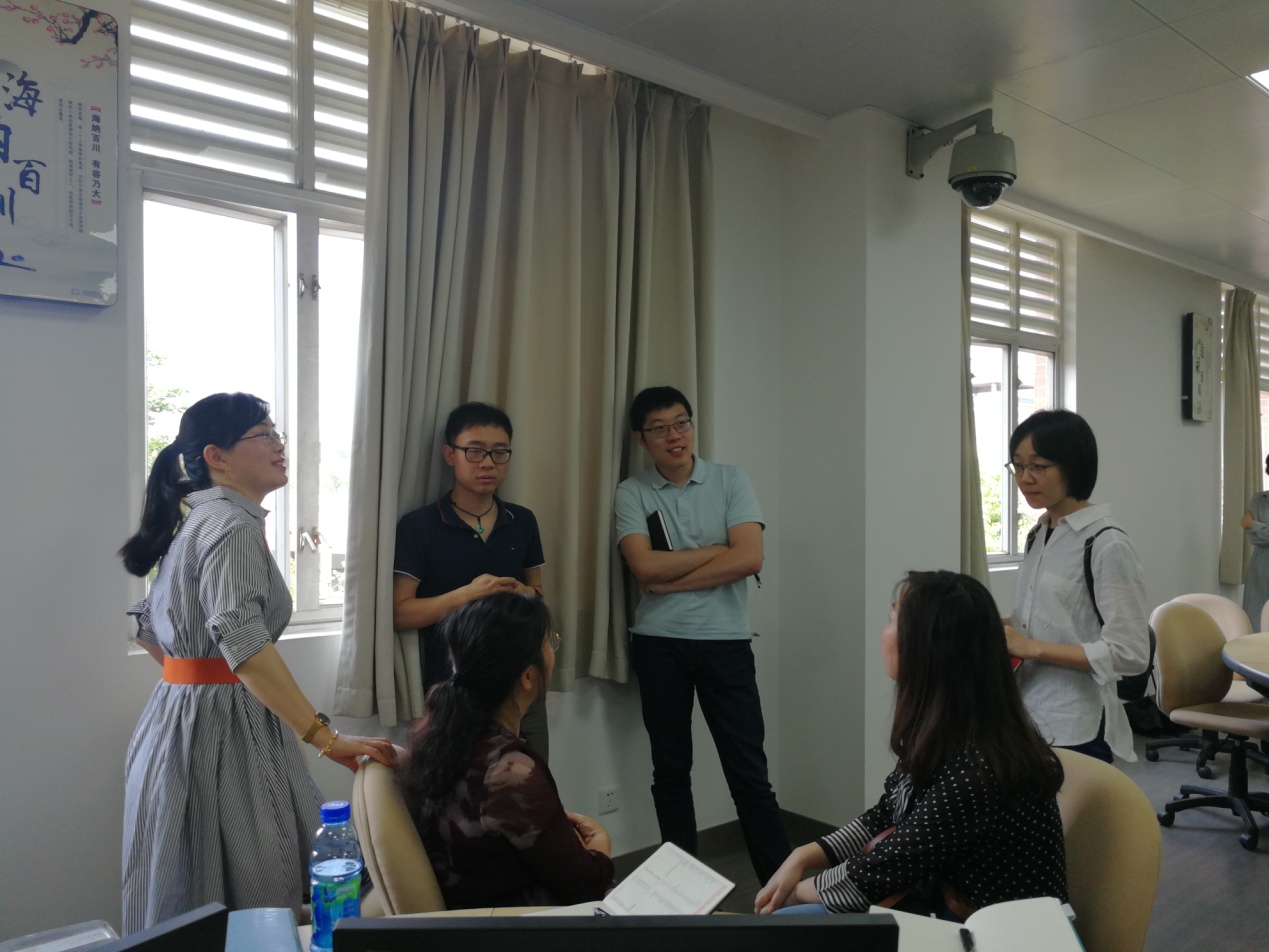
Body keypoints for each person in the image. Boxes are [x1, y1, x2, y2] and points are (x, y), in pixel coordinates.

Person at [118, 392, 395, 934]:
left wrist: (194, 684)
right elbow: (242, 640)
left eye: (277, 434)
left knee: (186, 884)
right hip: (225, 733)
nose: (278, 445)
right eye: (263, 435)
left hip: (174, 725)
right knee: (255, 884)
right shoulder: (232, 525)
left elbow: (147, 629)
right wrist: (326, 738)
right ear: (217, 456)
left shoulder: (198, 521)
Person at [755, 570, 1068, 918]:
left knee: (788, 920)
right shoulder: (952, 730)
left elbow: (878, 874)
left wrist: (791, 894)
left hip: (1000, 933)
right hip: (948, 905)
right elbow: (887, 814)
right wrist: (803, 855)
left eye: (892, 619)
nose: (883, 631)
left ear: (926, 648)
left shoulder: (977, 771)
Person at [614, 386, 791, 885]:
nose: (674, 436)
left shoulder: (731, 479)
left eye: (682, 423)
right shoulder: (633, 492)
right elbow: (644, 566)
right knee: (670, 774)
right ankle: (682, 893)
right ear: (642, 439)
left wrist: (670, 581)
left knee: (749, 774)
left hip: (726, 642)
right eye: (660, 429)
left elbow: (749, 557)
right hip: (659, 644)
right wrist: (717, 551)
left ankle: (785, 895)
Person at [396, 593, 613, 908]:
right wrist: (601, 847)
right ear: (528, 676)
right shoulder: (510, 771)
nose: (552, 649)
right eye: (549, 643)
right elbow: (584, 888)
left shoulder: (443, 732)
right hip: (514, 923)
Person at [393, 402, 549, 757]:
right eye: (475, 451)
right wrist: (467, 595)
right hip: (453, 684)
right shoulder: (419, 525)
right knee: (458, 782)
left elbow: (538, 592)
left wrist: (525, 593)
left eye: (499, 452)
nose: (488, 463)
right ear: (450, 454)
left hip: (521, 682)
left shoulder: (522, 520)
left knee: (531, 776)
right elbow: (400, 613)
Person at [1005, 409, 1149, 764]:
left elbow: (1130, 653)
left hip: (1075, 723)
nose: (1025, 479)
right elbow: (1050, 622)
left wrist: (1033, 648)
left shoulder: (1106, 543)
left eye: (1038, 467)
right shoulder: (1039, 534)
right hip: (1026, 712)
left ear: (1073, 466)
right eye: (1018, 466)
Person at [1240, 454, 1269, 628]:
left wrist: (1254, 524)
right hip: (1260, 567)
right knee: (1255, 619)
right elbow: (1252, 536)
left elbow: (1250, 526)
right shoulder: (1259, 499)